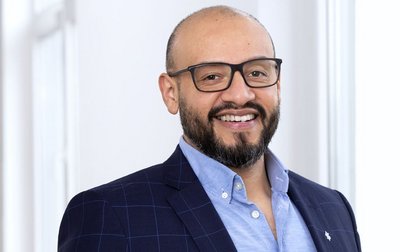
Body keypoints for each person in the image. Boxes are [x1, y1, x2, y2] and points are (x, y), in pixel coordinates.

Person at [58, 5, 361, 252]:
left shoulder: (333, 208)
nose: (241, 95)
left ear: (278, 84)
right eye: (212, 77)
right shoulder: (111, 214)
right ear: (170, 93)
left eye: (257, 72)